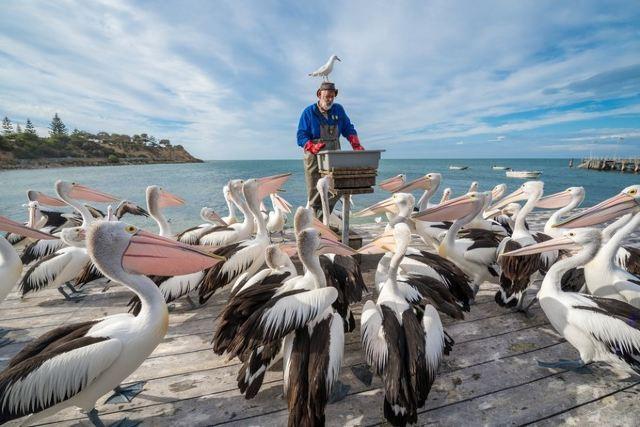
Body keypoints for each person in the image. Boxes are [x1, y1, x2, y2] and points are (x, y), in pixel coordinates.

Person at [296, 81, 364, 218]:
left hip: (334, 155)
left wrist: (355, 144)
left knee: (338, 185)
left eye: (332, 96)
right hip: (314, 156)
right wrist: (311, 146)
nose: (330, 99)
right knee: (315, 191)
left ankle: (322, 219)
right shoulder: (309, 112)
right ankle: (318, 222)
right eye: (327, 96)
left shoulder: (338, 110)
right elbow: (301, 136)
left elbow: (348, 128)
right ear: (319, 95)